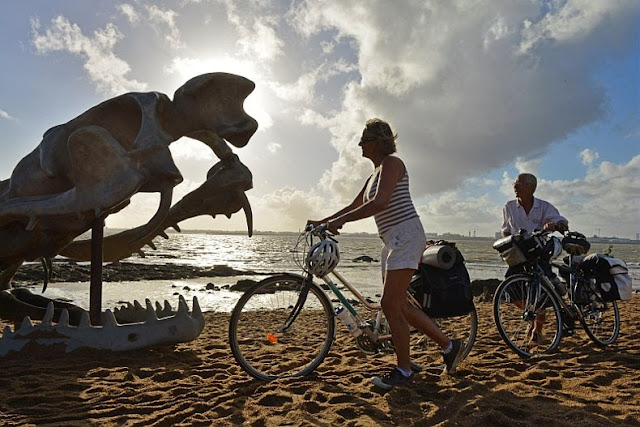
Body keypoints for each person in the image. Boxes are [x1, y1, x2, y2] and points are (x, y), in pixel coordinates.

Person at [307, 118, 463, 391]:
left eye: (364, 140)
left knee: (392, 305)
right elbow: (355, 204)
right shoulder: (374, 175)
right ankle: (449, 346)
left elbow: (380, 203)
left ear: (379, 141)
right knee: (398, 305)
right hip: (391, 240)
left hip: (405, 235)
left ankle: (404, 370)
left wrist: (340, 223)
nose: (359, 146)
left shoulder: (392, 164)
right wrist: (325, 221)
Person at [500, 173, 569, 341]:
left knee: (541, 292)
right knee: (510, 290)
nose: (515, 187)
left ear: (531, 187)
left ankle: (537, 330)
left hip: (539, 251)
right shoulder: (509, 206)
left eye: (520, 184)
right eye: (515, 184)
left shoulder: (544, 207)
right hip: (519, 254)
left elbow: (563, 223)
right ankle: (532, 314)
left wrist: (554, 225)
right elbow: (505, 229)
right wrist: (507, 241)